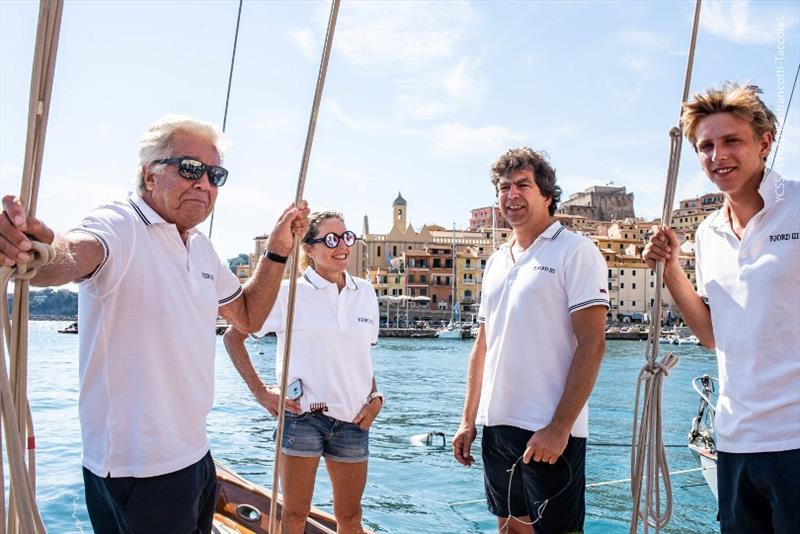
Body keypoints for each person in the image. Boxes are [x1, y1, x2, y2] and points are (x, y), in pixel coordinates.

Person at [0, 114, 310, 534]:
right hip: (137, 472)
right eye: (189, 169)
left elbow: (249, 316)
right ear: (149, 176)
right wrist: (34, 250)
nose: (204, 183)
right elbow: (72, 252)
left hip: (196, 458)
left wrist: (277, 251)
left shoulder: (201, 248)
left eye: (215, 174)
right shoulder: (120, 224)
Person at [643, 83, 799, 533]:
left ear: (765, 142)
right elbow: (713, 334)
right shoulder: (708, 233)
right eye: (706, 146)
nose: (717, 156)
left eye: (731, 141)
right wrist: (672, 267)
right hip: (734, 439)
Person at [452, 147, 608, 534]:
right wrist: (468, 420)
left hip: (549, 430)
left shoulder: (576, 251)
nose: (511, 195)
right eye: (504, 187)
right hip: (497, 426)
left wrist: (560, 427)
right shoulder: (496, 260)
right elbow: (483, 344)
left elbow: (592, 343)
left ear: (547, 195)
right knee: (508, 528)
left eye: (523, 185)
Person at [224, 211, 382, 534]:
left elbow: (359, 356)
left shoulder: (365, 293)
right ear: (308, 249)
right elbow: (232, 336)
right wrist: (261, 392)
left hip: (354, 420)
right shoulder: (287, 293)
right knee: (294, 516)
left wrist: (376, 396)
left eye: (346, 237)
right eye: (331, 240)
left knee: (351, 517)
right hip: (302, 419)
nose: (342, 247)